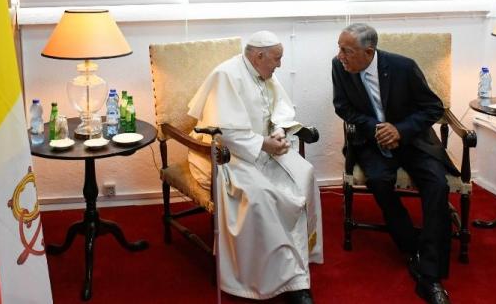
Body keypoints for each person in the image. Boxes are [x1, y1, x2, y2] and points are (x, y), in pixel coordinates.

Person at [187, 31, 323, 304]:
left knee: (305, 174)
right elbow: (222, 132)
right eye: (277, 58)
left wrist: (278, 132)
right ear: (258, 55)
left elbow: (279, 110)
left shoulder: (265, 73)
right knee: (262, 197)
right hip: (232, 155)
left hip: (266, 148)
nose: (280, 65)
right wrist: (263, 144)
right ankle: (280, 279)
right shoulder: (226, 75)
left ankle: (299, 260)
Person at [331, 23, 456, 304]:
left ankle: (430, 276)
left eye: (346, 50)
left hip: (414, 140)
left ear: (369, 51)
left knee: (436, 185)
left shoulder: (403, 67)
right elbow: (343, 106)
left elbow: (433, 107)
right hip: (372, 141)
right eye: (339, 48)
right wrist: (377, 128)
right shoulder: (339, 66)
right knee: (379, 182)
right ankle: (412, 246)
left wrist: (400, 130)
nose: (340, 56)